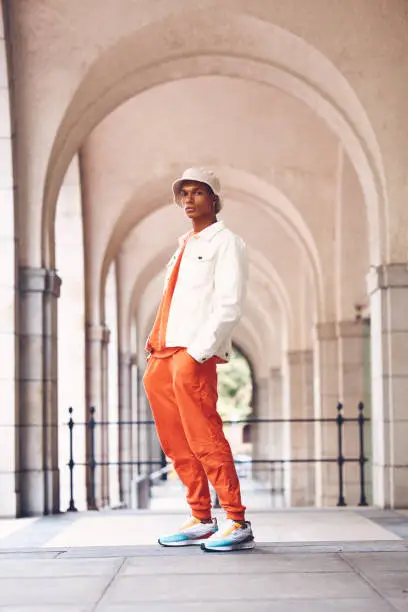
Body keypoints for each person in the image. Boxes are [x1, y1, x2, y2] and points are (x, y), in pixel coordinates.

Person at [143, 167, 255, 552]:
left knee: (205, 436)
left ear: (214, 199)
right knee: (175, 442)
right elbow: (174, 299)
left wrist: (198, 352)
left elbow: (229, 304)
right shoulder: (183, 244)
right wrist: (155, 340)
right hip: (162, 353)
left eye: (197, 192)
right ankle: (201, 518)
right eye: (184, 193)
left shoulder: (228, 243)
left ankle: (237, 521)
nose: (188, 199)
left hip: (192, 353)